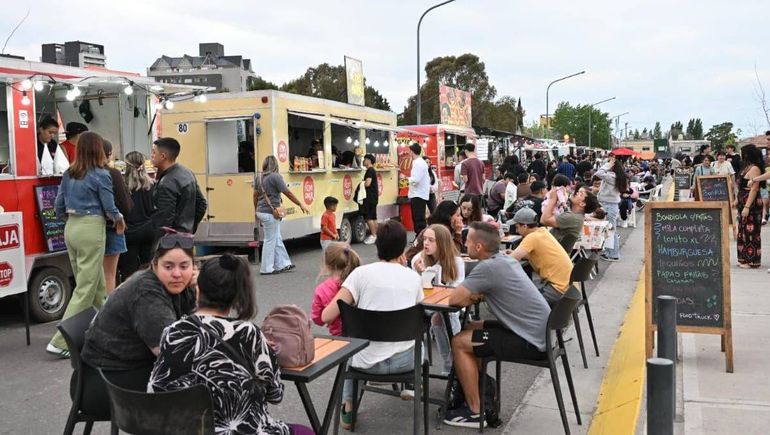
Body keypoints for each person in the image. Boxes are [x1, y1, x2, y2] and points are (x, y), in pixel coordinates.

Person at [149, 254, 313, 435]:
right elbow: (275, 395)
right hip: (242, 430)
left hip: (186, 429)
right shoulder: (249, 333)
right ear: (238, 296)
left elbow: (157, 388)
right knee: (306, 431)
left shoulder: (173, 331)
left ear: (198, 288)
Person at [79, 232, 197, 417]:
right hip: (106, 383)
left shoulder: (175, 285)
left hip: (120, 371)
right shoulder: (147, 292)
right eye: (168, 266)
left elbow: (194, 325)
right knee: (204, 388)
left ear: (193, 268)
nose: (176, 273)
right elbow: (171, 351)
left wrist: (197, 289)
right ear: (154, 265)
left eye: (184, 266)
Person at [444, 222, 550, 427]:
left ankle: (475, 412)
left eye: (467, 241)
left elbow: (455, 300)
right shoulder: (503, 260)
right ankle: (479, 392)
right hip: (539, 332)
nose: (464, 244)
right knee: (473, 327)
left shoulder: (488, 267)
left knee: (459, 342)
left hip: (530, 341)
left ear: (478, 247)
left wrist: (474, 296)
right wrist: (477, 295)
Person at [321, 221, 423, 429]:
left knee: (351, 349)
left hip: (364, 362)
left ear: (377, 245)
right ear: (403, 248)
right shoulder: (413, 278)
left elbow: (326, 315)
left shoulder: (360, 275)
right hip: (406, 363)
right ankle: (410, 385)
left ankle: (348, 408)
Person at [47, 132, 125, 358]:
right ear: (98, 150)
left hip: (71, 227)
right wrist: (119, 219)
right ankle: (61, 341)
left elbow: (58, 206)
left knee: (97, 285)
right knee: (86, 286)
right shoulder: (101, 175)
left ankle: (107, 332)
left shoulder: (68, 173)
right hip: (92, 227)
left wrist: (72, 219)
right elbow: (110, 208)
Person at [411, 224, 464, 375]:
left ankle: (451, 363)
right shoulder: (418, 259)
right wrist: (422, 274)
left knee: (438, 317)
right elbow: (415, 290)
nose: (425, 243)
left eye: (431, 240)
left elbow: (453, 294)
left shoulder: (456, 262)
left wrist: (429, 275)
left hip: (447, 308)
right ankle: (419, 367)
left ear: (442, 243)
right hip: (423, 305)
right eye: (424, 239)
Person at [254, 155, 310, 275]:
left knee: (276, 237)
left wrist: (256, 211)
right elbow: (287, 192)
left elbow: (254, 195)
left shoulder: (258, 177)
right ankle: (266, 268)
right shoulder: (275, 177)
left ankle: (283, 263)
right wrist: (300, 204)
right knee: (270, 240)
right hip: (271, 212)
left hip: (261, 211)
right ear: (276, 165)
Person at [509, 208, 574, 305]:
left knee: (518, 301)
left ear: (525, 226)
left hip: (557, 289)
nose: (517, 231)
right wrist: (514, 252)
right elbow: (539, 255)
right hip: (569, 288)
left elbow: (509, 260)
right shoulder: (543, 231)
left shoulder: (531, 237)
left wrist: (503, 255)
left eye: (517, 227)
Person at [150, 137, 207, 239]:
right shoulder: (187, 172)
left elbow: (164, 220)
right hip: (186, 236)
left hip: (171, 242)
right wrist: (189, 228)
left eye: (154, 152)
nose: (151, 156)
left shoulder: (167, 182)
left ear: (163, 156)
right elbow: (202, 204)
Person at [101, 140, 133, 294]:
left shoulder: (75, 173)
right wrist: (119, 218)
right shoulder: (111, 173)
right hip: (111, 227)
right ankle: (106, 312)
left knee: (90, 276)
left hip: (83, 229)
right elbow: (125, 204)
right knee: (109, 275)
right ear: (108, 155)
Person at [118, 151, 156, 281]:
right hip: (148, 231)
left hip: (129, 233)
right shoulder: (152, 185)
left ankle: (131, 295)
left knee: (129, 271)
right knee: (148, 267)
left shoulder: (122, 187)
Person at [311, 242, 362, 337]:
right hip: (362, 332)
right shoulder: (358, 281)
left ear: (327, 265)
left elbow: (318, 319)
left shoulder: (322, 289)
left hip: (339, 336)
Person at [736, 144, 765, 268]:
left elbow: (753, 189)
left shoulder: (754, 169)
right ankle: (744, 258)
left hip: (751, 203)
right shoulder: (746, 167)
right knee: (742, 231)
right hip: (743, 201)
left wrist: (747, 207)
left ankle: (752, 260)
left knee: (751, 231)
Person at [595, 156, 628, 262]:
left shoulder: (612, 176)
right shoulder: (616, 176)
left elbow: (598, 173)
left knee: (611, 230)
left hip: (609, 205)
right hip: (611, 204)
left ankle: (613, 254)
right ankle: (610, 252)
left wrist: (607, 165)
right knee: (610, 230)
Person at [408, 144, 430, 235]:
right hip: (418, 193)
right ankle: (419, 238)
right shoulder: (418, 162)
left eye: (410, 151)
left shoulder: (419, 163)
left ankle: (420, 238)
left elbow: (416, 179)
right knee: (417, 218)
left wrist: (406, 180)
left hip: (418, 194)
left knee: (419, 219)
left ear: (412, 152)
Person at [362, 153, 379, 244]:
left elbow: (368, 183)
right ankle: (376, 235)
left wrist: (361, 184)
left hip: (370, 196)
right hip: (374, 196)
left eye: (364, 159)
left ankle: (373, 235)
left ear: (368, 160)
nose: (363, 161)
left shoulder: (370, 171)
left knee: (369, 217)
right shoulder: (372, 170)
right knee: (374, 217)